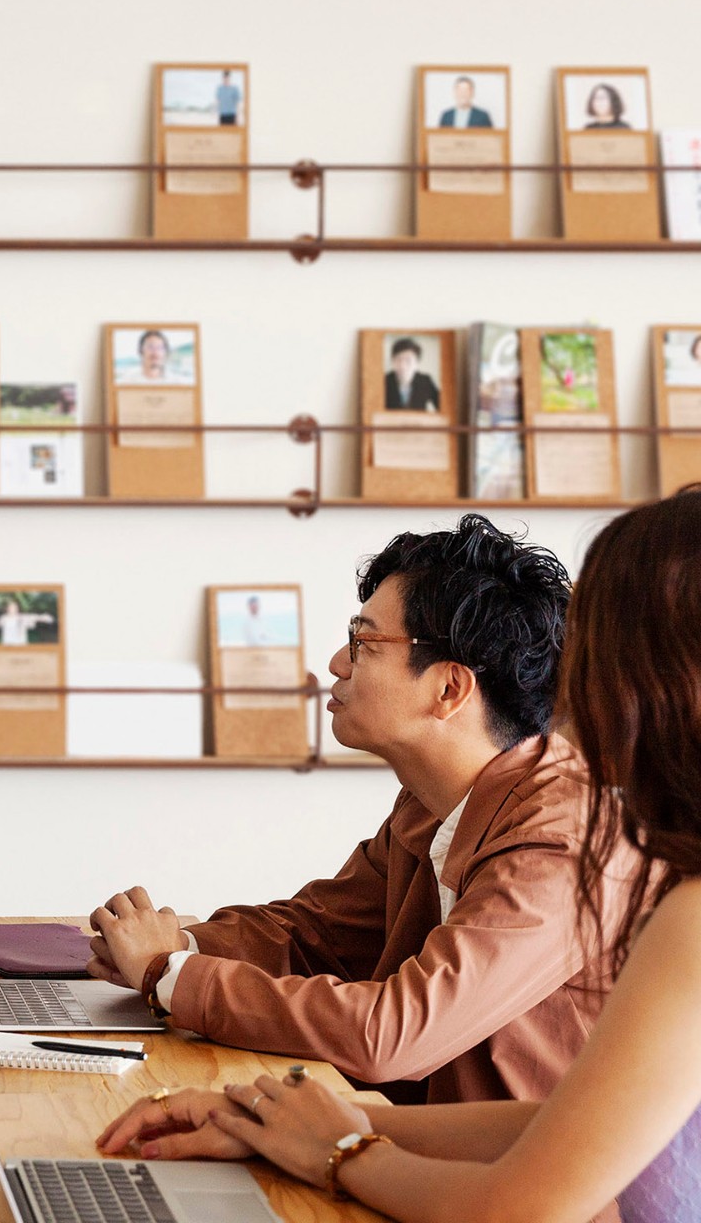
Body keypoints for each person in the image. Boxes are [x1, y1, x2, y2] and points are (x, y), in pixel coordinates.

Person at [95, 493, 701, 1221]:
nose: (575, 690)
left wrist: (173, 976)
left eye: (362, 641)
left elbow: (397, 1040)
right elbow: (313, 934)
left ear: (449, 688)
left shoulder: (577, 837)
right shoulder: (435, 804)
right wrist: (273, 1115)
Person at [384, 337, 440, 411]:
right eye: (398, 359)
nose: (402, 365)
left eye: (408, 360)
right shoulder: (384, 380)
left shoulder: (426, 381)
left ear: (417, 363)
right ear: (392, 361)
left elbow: (443, 407)